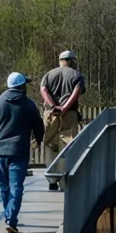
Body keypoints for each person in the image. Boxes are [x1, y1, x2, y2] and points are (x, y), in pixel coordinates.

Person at [0, 72, 44, 233]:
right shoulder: (29, 105)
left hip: (0, 151)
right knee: (16, 186)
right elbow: (39, 126)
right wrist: (38, 140)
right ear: (21, 86)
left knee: (4, 186)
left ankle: (9, 216)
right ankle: (11, 219)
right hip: (19, 151)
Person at [40, 50, 85, 189]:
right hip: (69, 114)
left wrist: (54, 106)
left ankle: (52, 180)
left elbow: (43, 90)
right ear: (71, 60)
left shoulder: (48, 75)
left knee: (50, 145)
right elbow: (76, 92)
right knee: (67, 146)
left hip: (50, 114)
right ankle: (64, 181)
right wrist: (64, 108)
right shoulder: (76, 75)